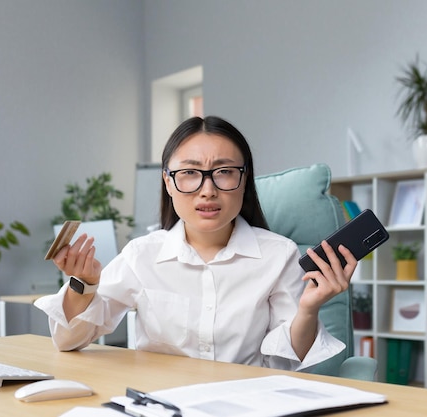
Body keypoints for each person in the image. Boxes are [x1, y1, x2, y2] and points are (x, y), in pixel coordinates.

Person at [35, 115, 357, 371]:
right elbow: (69, 340)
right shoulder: (142, 254)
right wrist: (84, 284)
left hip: (243, 405)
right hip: (160, 403)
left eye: (224, 172)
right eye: (190, 172)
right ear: (168, 181)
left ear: (243, 180)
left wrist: (309, 309)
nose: (207, 190)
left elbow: (285, 361)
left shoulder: (278, 255)